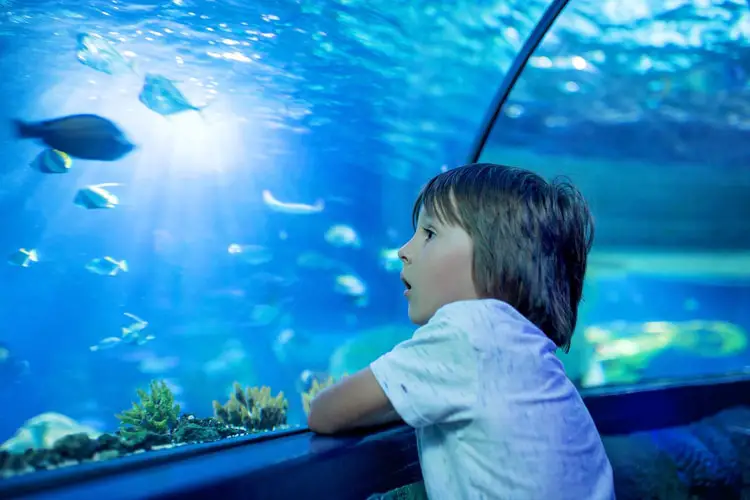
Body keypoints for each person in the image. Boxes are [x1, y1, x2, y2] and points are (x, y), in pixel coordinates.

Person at [307, 163, 615, 499]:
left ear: (498, 261)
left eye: (430, 234)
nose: (404, 251)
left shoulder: (469, 330)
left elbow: (325, 414)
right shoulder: (532, 354)